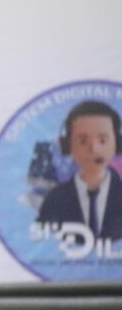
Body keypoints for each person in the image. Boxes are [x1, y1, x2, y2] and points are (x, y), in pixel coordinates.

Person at [37, 100, 122, 241]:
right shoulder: (54, 199)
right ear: (67, 145)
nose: (94, 149)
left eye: (103, 140)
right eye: (83, 141)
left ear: (117, 144)